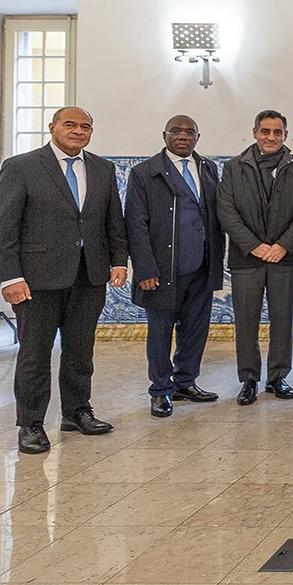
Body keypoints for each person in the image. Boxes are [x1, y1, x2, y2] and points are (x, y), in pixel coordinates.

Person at [0, 106, 127, 454]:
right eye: (70, 125)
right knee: (35, 353)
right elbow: (3, 227)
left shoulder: (102, 168)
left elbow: (114, 222)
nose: (78, 131)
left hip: (89, 275)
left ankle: (77, 411)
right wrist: (9, 277)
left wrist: (119, 261)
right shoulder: (21, 167)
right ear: (52, 127)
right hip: (36, 279)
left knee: (81, 350)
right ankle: (31, 424)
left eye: (86, 127)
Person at [124, 114, 224, 418]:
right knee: (160, 332)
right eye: (176, 131)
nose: (183, 136)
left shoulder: (208, 168)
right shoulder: (144, 173)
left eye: (189, 132)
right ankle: (160, 390)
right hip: (162, 269)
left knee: (195, 329)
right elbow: (135, 224)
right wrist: (144, 269)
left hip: (202, 266)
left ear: (198, 137)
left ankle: (185, 382)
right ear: (164, 135)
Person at [217, 110, 293, 406]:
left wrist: (282, 245)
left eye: (277, 132)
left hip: (283, 258)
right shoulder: (234, 167)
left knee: (282, 318)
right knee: (245, 321)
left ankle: (277, 377)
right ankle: (248, 379)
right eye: (265, 131)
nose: (271, 137)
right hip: (247, 258)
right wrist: (254, 245)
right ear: (254, 132)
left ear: (286, 134)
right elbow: (226, 210)